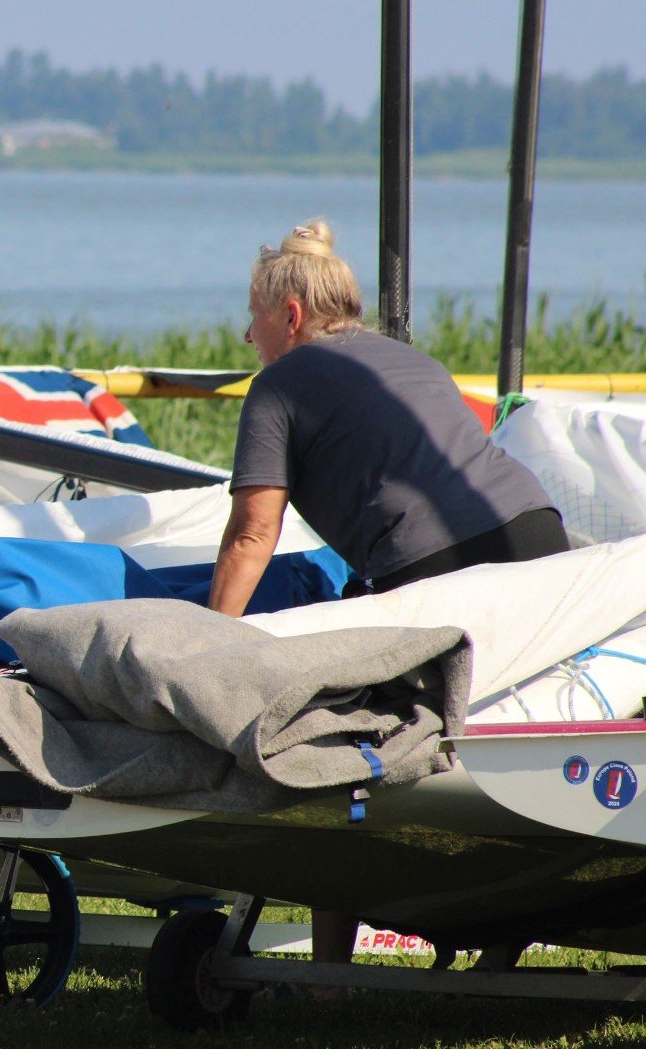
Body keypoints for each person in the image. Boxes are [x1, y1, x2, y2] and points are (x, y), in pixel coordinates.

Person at [208, 217, 566, 971]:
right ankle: (501, 945)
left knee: (341, 744)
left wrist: (205, 648)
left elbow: (251, 534)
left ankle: (331, 981)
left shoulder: (279, 383)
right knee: (502, 746)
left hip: (436, 563)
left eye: (256, 317)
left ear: (292, 316)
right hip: (536, 534)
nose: (250, 335)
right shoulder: (410, 360)